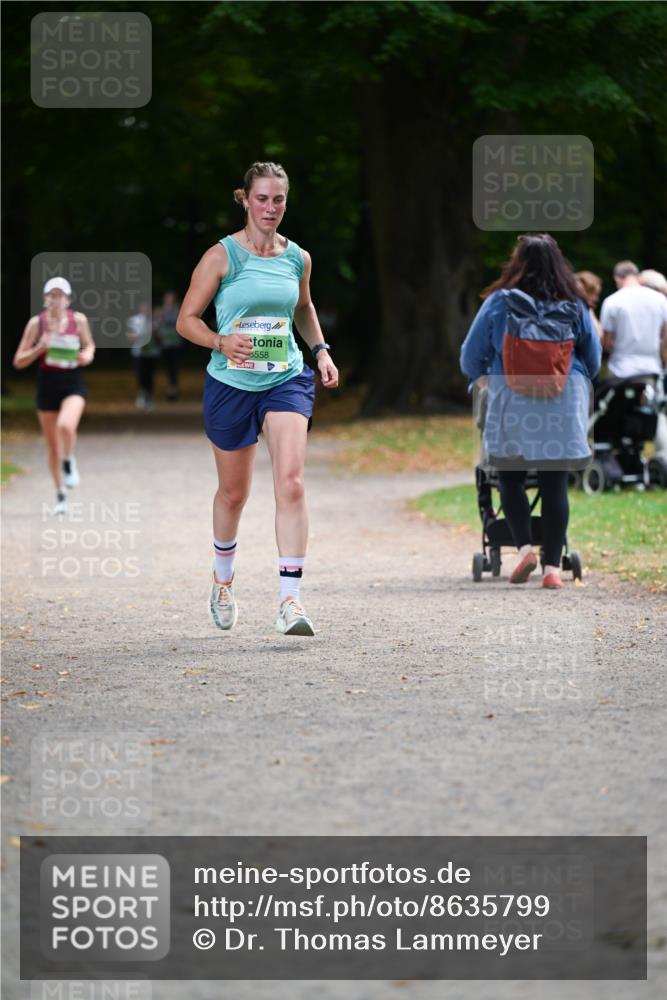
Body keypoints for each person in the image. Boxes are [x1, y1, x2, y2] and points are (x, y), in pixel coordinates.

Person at [176, 161, 338, 634]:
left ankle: (291, 601)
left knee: (290, 483)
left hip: (286, 377)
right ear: (245, 199)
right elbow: (188, 319)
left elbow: (303, 307)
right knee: (234, 492)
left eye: (279, 199)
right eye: (262, 198)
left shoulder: (297, 258)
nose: (271, 208)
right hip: (230, 383)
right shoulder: (221, 257)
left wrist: (321, 351)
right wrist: (220, 342)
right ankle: (222, 580)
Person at [460, 234, 601, 590]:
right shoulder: (574, 303)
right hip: (562, 402)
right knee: (555, 484)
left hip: (511, 398)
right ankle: (553, 568)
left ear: (517, 262)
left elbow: (469, 355)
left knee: (509, 476)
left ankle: (524, 548)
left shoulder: (499, 302)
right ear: (559, 263)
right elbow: (594, 358)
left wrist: (486, 380)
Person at [13, 277, 95, 514]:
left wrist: (86, 356)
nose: (55, 299)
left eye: (60, 295)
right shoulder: (35, 324)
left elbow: (89, 346)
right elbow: (18, 361)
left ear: (68, 299)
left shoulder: (78, 320)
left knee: (66, 426)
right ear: (45, 298)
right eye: (51, 294)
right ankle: (60, 493)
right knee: (52, 447)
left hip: (73, 382)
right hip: (47, 384)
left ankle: (69, 461)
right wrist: (39, 348)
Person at [599, 260, 667, 379]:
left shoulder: (612, 301)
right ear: (637, 276)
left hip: (620, 369)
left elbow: (607, 343)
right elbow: (665, 339)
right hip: (652, 369)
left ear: (617, 279)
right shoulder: (661, 300)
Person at [127, 300, 159, 411]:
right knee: (140, 375)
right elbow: (129, 336)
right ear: (140, 308)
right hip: (138, 353)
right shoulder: (134, 320)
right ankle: (142, 393)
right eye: (144, 307)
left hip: (152, 353)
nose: (146, 310)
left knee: (150, 375)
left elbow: (159, 337)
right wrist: (137, 337)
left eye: (148, 307)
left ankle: (149, 397)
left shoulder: (155, 321)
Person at [155, 291, 182, 400]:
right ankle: (170, 387)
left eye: (171, 299)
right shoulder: (160, 312)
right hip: (164, 345)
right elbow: (156, 327)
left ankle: (173, 388)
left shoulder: (179, 311)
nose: (169, 301)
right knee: (167, 367)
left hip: (176, 345)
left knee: (174, 367)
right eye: (168, 299)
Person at [575, 270, 604, 339]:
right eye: (593, 293)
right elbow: (598, 335)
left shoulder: (587, 309)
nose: (596, 299)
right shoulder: (578, 310)